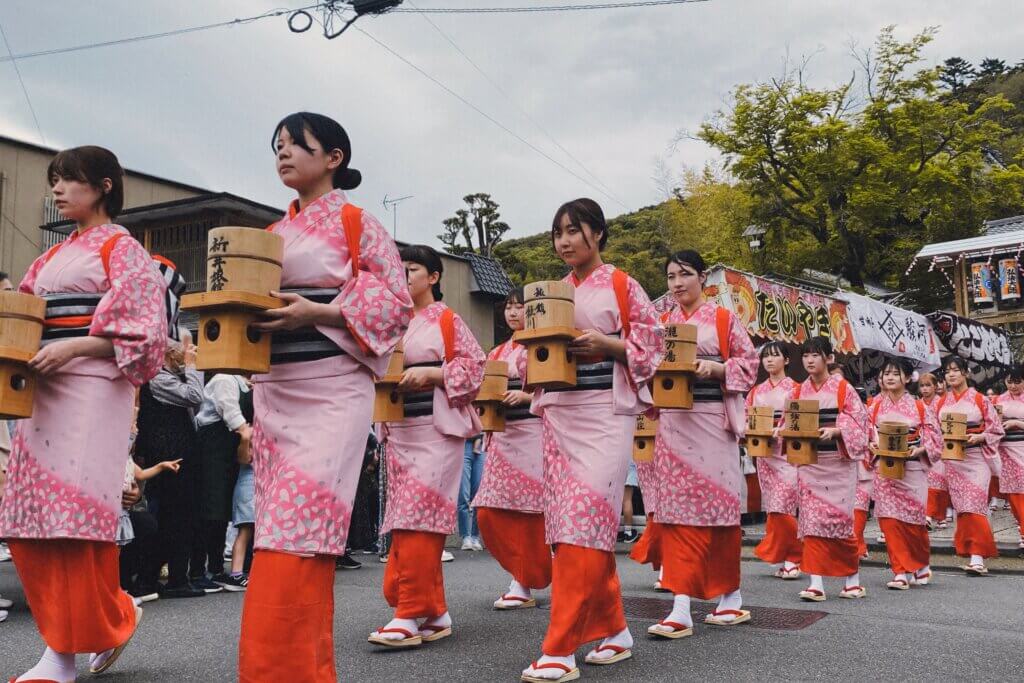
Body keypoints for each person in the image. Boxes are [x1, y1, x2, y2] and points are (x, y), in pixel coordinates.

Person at [238, 112, 413, 682]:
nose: (283, 154)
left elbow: (395, 305)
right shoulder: (268, 235)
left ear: (334, 156)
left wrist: (324, 310)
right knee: (284, 538)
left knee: (298, 536)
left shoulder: (359, 223)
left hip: (333, 388)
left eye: (296, 144)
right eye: (278, 145)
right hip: (276, 393)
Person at [0, 146, 167, 682]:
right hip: (43, 391)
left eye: (68, 179)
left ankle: (62, 654)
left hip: (93, 388)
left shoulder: (123, 249)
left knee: (73, 522)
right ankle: (111, 616)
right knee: (28, 521)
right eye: (53, 180)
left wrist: (74, 347)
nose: (57, 189)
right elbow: (22, 317)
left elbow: (147, 334)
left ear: (104, 186)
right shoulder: (48, 258)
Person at [519, 199, 662, 683]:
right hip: (561, 413)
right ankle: (616, 629)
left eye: (574, 231)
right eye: (557, 232)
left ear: (597, 234)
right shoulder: (553, 292)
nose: (564, 241)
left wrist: (609, 345)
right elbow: (528, 361)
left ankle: (559, 647)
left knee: (584, 519)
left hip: (605, 412)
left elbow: (654, 346)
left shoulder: (623, 285)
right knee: (570, 528)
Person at [369, 244, 484, 648]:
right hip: (399, 432)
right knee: (405, 520)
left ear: (434, 277)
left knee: (419, 517)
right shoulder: (392, 322)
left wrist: (433, 374)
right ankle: (434, 612)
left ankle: (408, 611)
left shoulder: (449, 321)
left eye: (412, 269)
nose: (403, 275)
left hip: (435, 431)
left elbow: (475, 369)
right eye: (399, 269)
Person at [643, 250, 758, 639]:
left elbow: (750, 363)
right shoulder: (662, 324)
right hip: (674, 424)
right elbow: (646, 366)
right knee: (675, 513)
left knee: (719, 511)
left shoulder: (724, 319)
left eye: (685, 275)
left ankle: (731, 594)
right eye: (671, 276)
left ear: (702, 277)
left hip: (711, 422)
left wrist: (719, 367)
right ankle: (680, 606)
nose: (677, 283)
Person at [473, 287, 552, 610]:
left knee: (531, 512)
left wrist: (527, 397)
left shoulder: (543, 347)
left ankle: (522, 580)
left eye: (520, 307)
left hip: (534, 433)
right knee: (490, 511)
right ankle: (525, 572)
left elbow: (560, 391)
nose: (514, 313)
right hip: (502, 436)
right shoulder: (496, 352)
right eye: (509, 307)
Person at [785, 337, 870, 602]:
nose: (810, 360)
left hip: (838, 462)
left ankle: (852, 579)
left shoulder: (844, 389)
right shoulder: (797, 392)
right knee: (811, 522)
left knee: (841, 522)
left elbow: (861, 424)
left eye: (816, 355)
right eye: (806, 356)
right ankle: (816, 582)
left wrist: (837, 430)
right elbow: (789, 422)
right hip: (810, 464)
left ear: (828, 358)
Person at [135, 332, 206, 599]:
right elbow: (196, 397)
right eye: (186, 348)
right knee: (171, 518)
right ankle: (162, 578)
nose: (190, 352)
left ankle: (175, 577)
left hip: (180, 454)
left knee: (180, 518)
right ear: (169, 352)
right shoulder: (157, 377)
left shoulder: (173, 376)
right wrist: (192, 365)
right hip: (166, 456)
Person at [867, 359, 943, 590]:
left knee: (913, 520)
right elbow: (866, 433)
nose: (889, 378)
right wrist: (871, 444)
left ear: (908, 378)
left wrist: (920, 449)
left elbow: (935, 439)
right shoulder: (876, 407)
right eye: (886, 373)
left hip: (912, 468)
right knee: (889, 520)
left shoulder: (920, 407)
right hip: (885, 468)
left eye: (895, 373)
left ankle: (920, 563)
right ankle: (900, 570)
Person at [936, 357, 1005, 575]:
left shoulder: (980, 399)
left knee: (975, 504)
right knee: (962, 507)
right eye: (947, 371)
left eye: (956, 370)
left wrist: (981, 437)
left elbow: (996, 430)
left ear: (966, 373)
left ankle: (978, 557)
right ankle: (969, 550)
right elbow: (933, 431)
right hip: (952, 459)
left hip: (976, 458)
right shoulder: (940, 402)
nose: (951, 374)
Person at [194, 373, 254, 590]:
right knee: (210, 511)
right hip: (212, 448)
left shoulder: (247, 384)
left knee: (224, 512)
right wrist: (246, 432)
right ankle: (200, 571)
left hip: (231, 452)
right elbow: (231, 413)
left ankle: (217, 569)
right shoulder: (224, 379)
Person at [749, 341, 801, 579]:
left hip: (788, 454)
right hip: (766, 455)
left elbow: (802, 420)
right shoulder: (756, 391)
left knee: (783, 506)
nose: (769, 360)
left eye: (775, 356)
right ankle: (787, 557)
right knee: (774, 508)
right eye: (765, 357)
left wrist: (781, 428)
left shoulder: (796, 389)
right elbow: (747, 417)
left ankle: (794, 556)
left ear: (786, 361)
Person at [995, 367, 1024, 552]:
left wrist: (1016, 423)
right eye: (1009, 381)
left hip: (1022, 448)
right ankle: (1022, 530)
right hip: (1005, 450)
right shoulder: (999, 400)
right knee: (1013, 493)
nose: (1013, 385)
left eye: (1017, 381)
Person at [920, 373, 953, 529]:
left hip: (941, 445)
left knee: (939, 480)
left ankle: (932, 515)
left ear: (935, 386)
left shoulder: (942, 403)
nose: (925, 389)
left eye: (928, 385)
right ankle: (937, 516)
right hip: (923, 446)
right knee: (929, 481)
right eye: (922, 386)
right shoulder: (916, 404)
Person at [459, 435, 486, 550]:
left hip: (481, 446)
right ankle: (466, 536)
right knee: (463, 494)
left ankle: (475, 536)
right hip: (463, 444)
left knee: (478, 494)